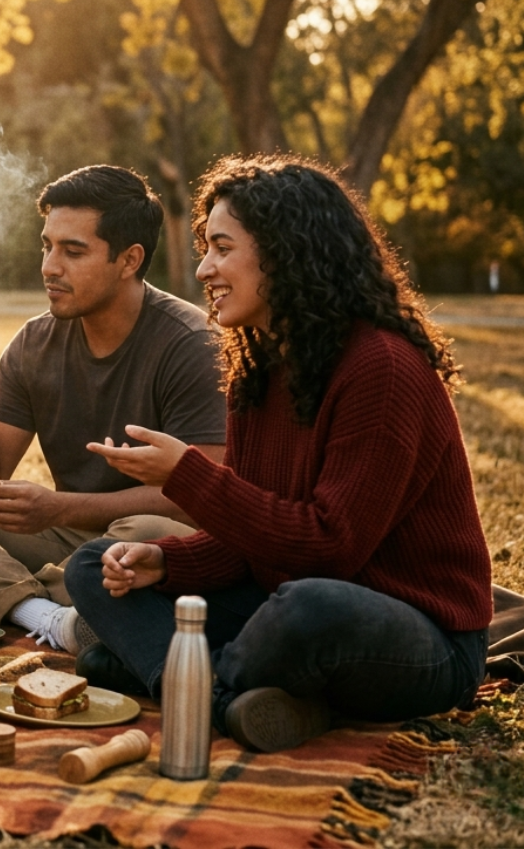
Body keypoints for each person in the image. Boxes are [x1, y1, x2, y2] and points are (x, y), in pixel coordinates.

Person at [66, 155, 491, 753]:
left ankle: (171, 678)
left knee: (309, 606)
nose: (204, 268)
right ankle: (224, 692)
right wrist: (165, 564)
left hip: (415, 639)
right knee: (94, 565)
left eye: (221, 247)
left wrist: (189, 475)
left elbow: (330, 546)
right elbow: (256, 535)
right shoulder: (258, 369)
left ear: (288, 252)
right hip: (282, 598)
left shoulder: (382, 369)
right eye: (204, 247)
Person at [0, 165, 227, 656]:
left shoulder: (191, 345)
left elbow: (200, 499)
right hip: (68, 540)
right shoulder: (34, 342)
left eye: (73, 251)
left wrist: (61, 506)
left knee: (143, 536)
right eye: (47, 246)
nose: (49, 266)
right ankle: (45, 615)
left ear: (129, 260)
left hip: (146, 542)